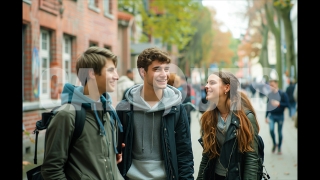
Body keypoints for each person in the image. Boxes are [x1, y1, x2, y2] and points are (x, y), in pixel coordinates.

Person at [41, 46, 125, 180]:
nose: (117, 76)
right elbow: (52, 170)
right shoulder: (67, 115)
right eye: (111, 70)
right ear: (92, 73)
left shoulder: (109, 111)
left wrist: (109, 158)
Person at [116, 47, 194, 179]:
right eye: (157, 69)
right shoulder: (124, 108)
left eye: (166, 69)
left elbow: (184, 153)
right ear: (143, 72)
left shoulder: (177, 109)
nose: (164, 74)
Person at [197, 71, 261, 180]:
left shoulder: (245, 117)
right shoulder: (208, 118)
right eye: (207, 83)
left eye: (212, 83)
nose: (206, 86)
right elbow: (206, 156)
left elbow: (251, 158)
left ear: (226, 88)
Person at [265, 79, 290, 155]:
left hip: (280, 115)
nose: (271, 87)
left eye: (272, 85)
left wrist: (279, 104)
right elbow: (268, 106)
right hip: (272, 116)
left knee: (279, 132)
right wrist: (266, 117)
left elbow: (287, 104)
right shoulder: (270, 94)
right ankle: (274, 143)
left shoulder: (282, 93)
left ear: (276, 84)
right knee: (271, 130)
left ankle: (279, 147)